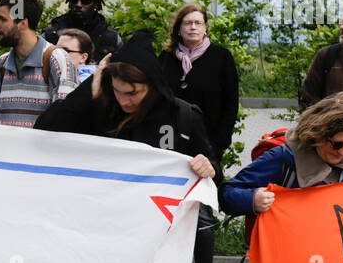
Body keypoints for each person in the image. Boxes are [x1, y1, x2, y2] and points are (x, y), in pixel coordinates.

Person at [35, 28, 218, 184]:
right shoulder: (101, 109)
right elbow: (45, 130)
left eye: (132, 93)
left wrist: (207, 167)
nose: (123, 101)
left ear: (152, 86)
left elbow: (215, 173)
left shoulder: (182, 116)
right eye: (117, 90)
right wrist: (90, 87)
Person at [157, 3, 240, 263]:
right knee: (165, 210)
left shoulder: (220, 57)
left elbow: (231, 103)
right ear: (178, 28)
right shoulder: (167, 59)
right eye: (187, 23)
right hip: (169, 146)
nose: (192, 27)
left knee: (201, 212)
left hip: (207, 147)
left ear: (206, 28)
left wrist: (218, 146)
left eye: (198, 23)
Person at [223, 92, 343, 229]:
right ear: (318, 135)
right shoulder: (283, 157)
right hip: (293, 261)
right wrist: (252, 199)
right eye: (338, 144)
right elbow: (226, 194)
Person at [0, 0, 77, 127]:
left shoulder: (56, 59)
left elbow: (66, 120)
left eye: (3, 19)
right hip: (3, 148)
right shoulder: (2, 63)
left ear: (22, 23)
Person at [43, 0, 120, 60]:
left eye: (85, 1)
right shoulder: (51, 34)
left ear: (96, 5)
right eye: (74, 1)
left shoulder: (111, 38)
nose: (78, 5)